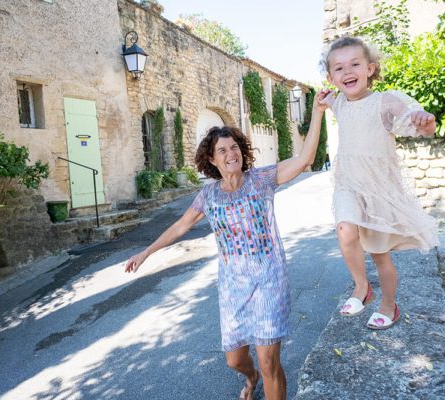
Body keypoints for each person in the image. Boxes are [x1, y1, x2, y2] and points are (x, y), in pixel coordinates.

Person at [124, 93, 328, 400]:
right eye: (223, 150)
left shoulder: (261, 180)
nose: (231, 153)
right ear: (212, 159)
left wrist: (317, 111)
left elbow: (304, 159)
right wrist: (146, 252)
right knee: (235, 359)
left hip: (269, 279)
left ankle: (263, 376)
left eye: (234, 147)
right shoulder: (209, 196)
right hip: (233, 287)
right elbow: (181, 225)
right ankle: (250, 378)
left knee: (269, 359)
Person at [321, 35, 439, 330]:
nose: (347, 72)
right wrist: (322, 100)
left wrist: (424, 121)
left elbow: (415, 121)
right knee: (345, 230)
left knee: (380, 255)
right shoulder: (339, 104)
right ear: (331, 76)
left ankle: (389, 305)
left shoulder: (384, 101)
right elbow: (328, 102)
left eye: (355, 64)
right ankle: (362, 287)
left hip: (378, 190)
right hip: (348, 185)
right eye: (338, 68)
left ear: (370, 68)